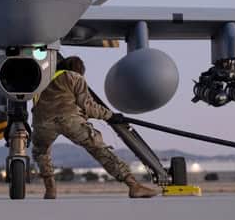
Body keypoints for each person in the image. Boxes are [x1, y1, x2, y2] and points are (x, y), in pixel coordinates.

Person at [31, 56, 158, 199]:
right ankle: (133, 185)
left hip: (41, 123)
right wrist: (110, 116)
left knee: (41, 153)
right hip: (69, 120)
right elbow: (88, 107)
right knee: (99, 149)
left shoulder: (43, 81)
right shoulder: (74, 77)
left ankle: (50, 189)